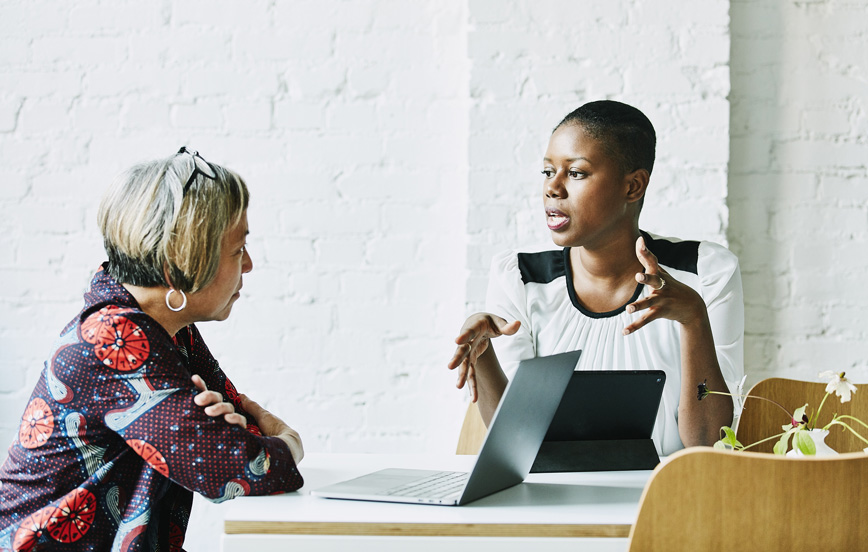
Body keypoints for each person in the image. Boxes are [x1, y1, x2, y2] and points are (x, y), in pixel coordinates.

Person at [0, 148, 304, 551]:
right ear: (183, 261)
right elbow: (235, 466)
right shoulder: (114, 338)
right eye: (236, 250)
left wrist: (236, 438)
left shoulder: (168, 330)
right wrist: (289, 442)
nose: (248, 264)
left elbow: (237, 431)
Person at [447, 101, 743, 454]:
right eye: (547, 172)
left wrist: (693, 317)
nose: (552, 189)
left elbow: (709, 443)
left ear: (633, 187)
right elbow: (517, 446)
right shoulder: (521, 280)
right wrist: (483, 355)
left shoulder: (704, 273)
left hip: (667, 498)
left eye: (575, 173)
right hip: (554, 502)